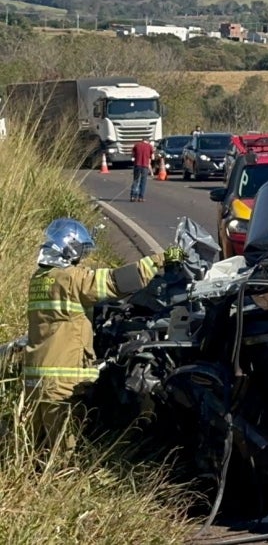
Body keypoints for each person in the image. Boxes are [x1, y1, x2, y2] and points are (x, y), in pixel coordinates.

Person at [24, 218, 181, 449]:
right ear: (69, 249)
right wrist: (161, 259)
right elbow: (115, 282)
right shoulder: (72, 279)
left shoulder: (39, 280)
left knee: (33, 446)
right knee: (61, 450)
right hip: (60, 382)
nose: (80, 259)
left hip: (34, 378)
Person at [130, 136, 154, 203]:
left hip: (137, 165)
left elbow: (132, 155)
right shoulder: (149, 146)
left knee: (135, 180)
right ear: (148, 141)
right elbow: (152, 157)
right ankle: (141, 197)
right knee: (143, 182)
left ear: (142, 140)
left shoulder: (136, 145)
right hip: (145, 166)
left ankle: (133, 196)